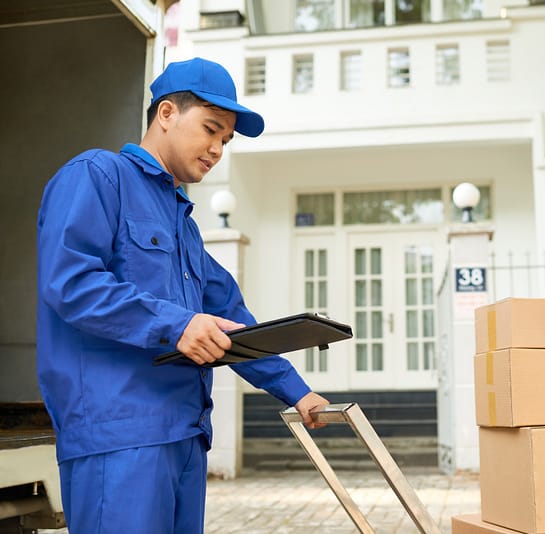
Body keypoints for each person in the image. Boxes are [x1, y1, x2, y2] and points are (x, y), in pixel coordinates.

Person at [36, 57, 329, 533]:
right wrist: (177, 325)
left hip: (185, 435)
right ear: (166, 113)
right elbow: (70, 282)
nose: (217, 149)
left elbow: (234, 322)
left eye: (226, 141)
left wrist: (298, 392)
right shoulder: (97, 176)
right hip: (120, 437)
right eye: (211, 129)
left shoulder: (184, 229)